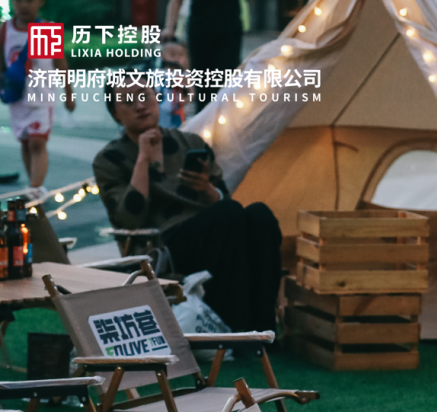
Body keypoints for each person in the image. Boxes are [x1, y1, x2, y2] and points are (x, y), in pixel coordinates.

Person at [92, 76, 282, 333]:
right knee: (228, 215)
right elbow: (129, 219)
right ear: (115, 113)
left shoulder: (189, 143)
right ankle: (235, 326)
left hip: (212, 228)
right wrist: (143, 159)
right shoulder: (109, 159)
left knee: (259, 214)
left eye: (144, 95)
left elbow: (223, 198)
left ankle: (263, 329)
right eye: (128, 101)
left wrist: (206, 190)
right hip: (162, 243)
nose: (140, 105)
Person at [1, 0, 75, 198]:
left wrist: (69, 92)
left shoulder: (46, 29)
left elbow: (60, 63)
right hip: (17, 99)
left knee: (37, 142)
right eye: (18, 0)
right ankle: (33, 183)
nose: (23, 5)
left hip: (41, 98)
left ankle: (36, 186)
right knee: (25, 142)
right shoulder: (6, 29)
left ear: (40, 2)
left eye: (29, 0)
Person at [162, 0, 242, 112]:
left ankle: (223, 122)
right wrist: (170, 27)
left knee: (225, 82)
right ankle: (203, 123)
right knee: (203, 83)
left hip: (228, 26)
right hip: (201, 26)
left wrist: (170, 27)